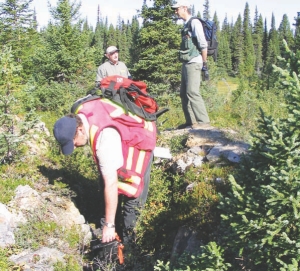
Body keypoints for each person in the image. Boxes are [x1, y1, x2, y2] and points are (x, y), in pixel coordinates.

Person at [53, 98, 156, 245]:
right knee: (106, 180)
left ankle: (130, 247)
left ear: (80, 130)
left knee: (133, 197)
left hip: (141, 138)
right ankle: (113, 232)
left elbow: (111, 183)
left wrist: (109, 225)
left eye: (73, 142)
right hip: (119, 134)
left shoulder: (104, 140)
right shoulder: (79, 111)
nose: (74, 147)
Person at [171, 0, 210, 129]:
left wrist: (204, 64)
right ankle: (191, 122)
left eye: (177, 9)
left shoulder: (194, 22)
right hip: (186, 63)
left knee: (192, 92)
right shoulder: (186, 25)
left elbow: (203, 45)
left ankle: (204, 122)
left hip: (194, 62)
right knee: (183, 93)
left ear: (184, 8)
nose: (176, 12)